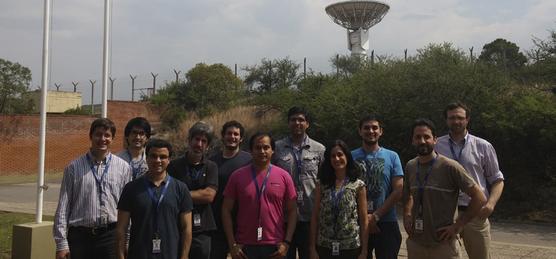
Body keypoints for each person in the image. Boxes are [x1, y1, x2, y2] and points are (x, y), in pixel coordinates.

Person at [403, 119, 486, 259]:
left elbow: (479, 197)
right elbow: (407, 195)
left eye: (427, 137)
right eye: (418, 137)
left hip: (443, 245)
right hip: (416, 243)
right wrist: (407, 214)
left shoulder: (450, 167)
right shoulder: (410, 166)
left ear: (435, 140)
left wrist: (458, 225)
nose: (422, 141)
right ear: (412, 140)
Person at [53, 118, 132, 259]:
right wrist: (61, 244)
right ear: (91, 136)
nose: (102, 139)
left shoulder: (124, 168)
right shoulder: (73, 168)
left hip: (110, 236)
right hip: (80, 237)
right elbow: (63, 207)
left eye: (107, 135)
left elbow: (128, 208)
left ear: (113, 138)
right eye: (98, 134)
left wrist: (126, 239)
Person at [435, 102, 505, 259]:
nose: (456, 121)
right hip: (445, 214)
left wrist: (490, 204)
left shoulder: (483, 146)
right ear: (446, 120)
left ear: (467, 120)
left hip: (475, 212)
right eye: (452, 118)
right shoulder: (436, 145)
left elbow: (497, 179)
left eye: (460, 117)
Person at [222, 132, 297, 259]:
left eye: (266, 147)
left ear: (273, 150)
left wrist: (287, 243)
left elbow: (293, 211)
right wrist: (232, 244)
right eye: (257, 147)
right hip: (244, 247)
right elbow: (225, 209)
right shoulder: (237, 176)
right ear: (251, 151)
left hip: (275, 246)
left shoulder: (284, 176)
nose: (262, 151)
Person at [116, 139, 193, 259]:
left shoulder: (181, 188)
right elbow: (121, 228)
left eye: (162, 157)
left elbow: (186, 228)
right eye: (153, 156)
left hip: (171, 254)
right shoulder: (131, 188)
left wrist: (184, 256)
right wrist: (120, 256)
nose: (158, 160)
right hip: (139, 254)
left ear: (169, 160)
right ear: (146, 158)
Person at [273, 106, 325, 259]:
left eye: (301, 120)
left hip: (310, 216)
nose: (297, 123)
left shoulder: (319, 149)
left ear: (307, 124)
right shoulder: (276, 148)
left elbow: (324, 181)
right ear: (288, 123)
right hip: (283, 216)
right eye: (293, 120)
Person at [351, 115, 403, 259]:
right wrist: (364, 217)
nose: (371, 131)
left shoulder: (392, 156)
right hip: (356, 222)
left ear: (381, 131)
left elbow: (398, 189)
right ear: (360, 131)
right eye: (366, 128)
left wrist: (376, 215)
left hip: (386, 221)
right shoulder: (350, 157)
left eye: (375, 127)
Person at [167, 121, 218, 259]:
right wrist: (196, 194)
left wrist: (181, 194)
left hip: (202, 229)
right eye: (196, 139)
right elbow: (168, 194)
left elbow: (209, 196)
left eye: (204, 141)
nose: (199, 144)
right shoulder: (173, 166)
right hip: (177, 227)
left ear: (207, 146)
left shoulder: (211, 167)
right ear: (189, 140)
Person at [309, 140, 369, 259]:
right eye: (333, 156)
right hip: (324, 246)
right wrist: (312, 248)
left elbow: (363, 219)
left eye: (340, 154)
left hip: (350, 247)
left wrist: (364, 251)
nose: (337, 159)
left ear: (347, 156)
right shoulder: (322, 185)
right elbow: (315, 217)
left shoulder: (358, 185)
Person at [209, 120, 252, 259]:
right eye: (229, 133)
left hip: (243, 222)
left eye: (236, 134)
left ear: (241, 138)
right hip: (217, 222)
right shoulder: (212, 162)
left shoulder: (250, 161)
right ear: (222, 136)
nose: (232, 137)